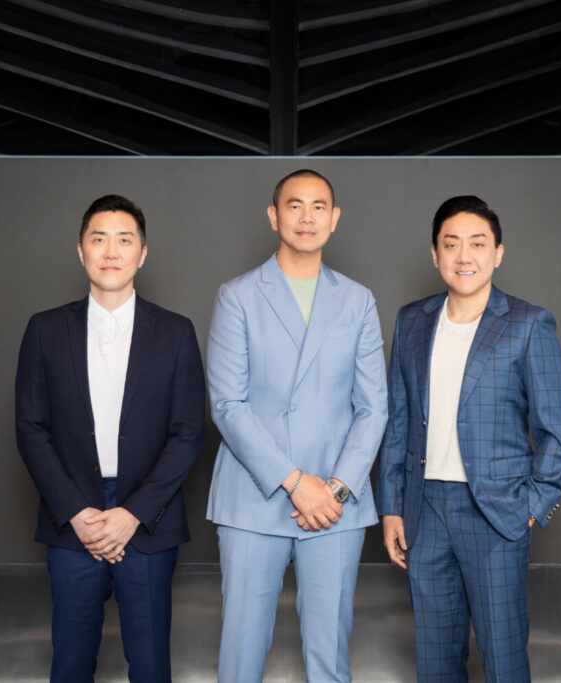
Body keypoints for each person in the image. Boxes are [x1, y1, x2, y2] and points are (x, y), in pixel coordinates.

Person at [376, 195, 561, 683]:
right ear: (435, 254)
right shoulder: (412, 320)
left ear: (498, 253)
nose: (464, 256)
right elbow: (399, 420)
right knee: (436, 660)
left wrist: (530, 507)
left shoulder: (529, 324)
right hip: (425, 511)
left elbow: (556, 431)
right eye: (451, 244)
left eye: (478, 243)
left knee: (503, 658)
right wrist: (392, 507)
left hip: (496, 513)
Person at [206, 169, 388, 682]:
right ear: (273, 216)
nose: (307, 217)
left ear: (334, 218)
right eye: (294, 205)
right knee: (241, 653)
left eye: (318, 206)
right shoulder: (238, 295)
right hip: (253, 497)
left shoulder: (357, 299)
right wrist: (295, 482)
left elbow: (373, 407)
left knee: (330, 654)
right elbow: (227, 404)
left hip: (335, 504)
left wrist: (335, 489)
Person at [15, 194, 205, 683]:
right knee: (70, 664)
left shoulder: (176, 332)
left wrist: (131, 513)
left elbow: (188, 433)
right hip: (71, 517)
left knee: (151, 666)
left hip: (148, 519)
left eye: (125, 240)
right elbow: (31, 429)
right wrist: (76, 512)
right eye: (99, 239)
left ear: (143, 253)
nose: (111, 251)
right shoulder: (44, 329)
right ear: (81, 250)